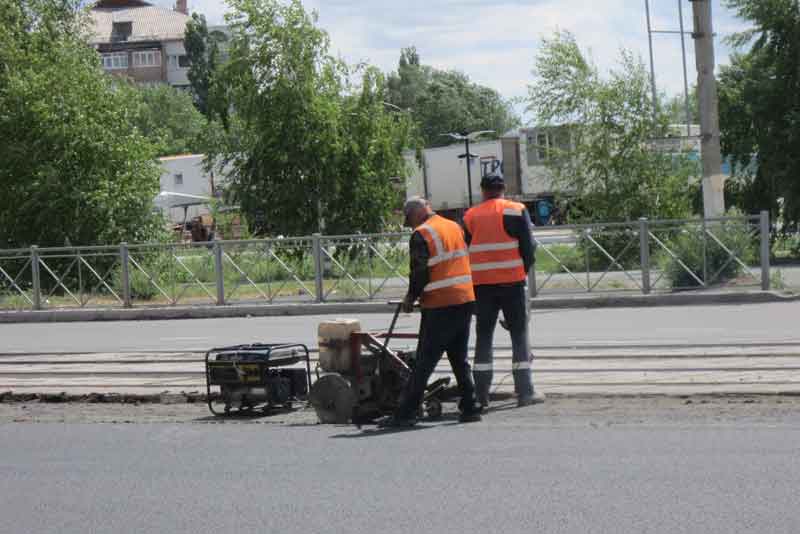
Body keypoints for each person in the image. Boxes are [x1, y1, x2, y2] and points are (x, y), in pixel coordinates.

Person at [379, 197, 483, 427]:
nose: (409, 225)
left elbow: (420, 271)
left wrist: (410, 298)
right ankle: (471, 407)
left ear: (416, 213)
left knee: (424, 362)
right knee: (459, 358)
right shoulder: (453, 225)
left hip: (440, 304)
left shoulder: (422, 234)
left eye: (408, 219)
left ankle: (405, 414)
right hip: (464, 299)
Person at [463, 172, 546, 408]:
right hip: (512, 284)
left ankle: (480, 396)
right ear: (503, 188)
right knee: (519, 335)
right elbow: (528, 249)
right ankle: (525, 392)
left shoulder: (470, 215)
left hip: (481, 286)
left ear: (482, 190)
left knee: (484, 337)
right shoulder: (515, 209)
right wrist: (521, 271)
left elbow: (465, 248)